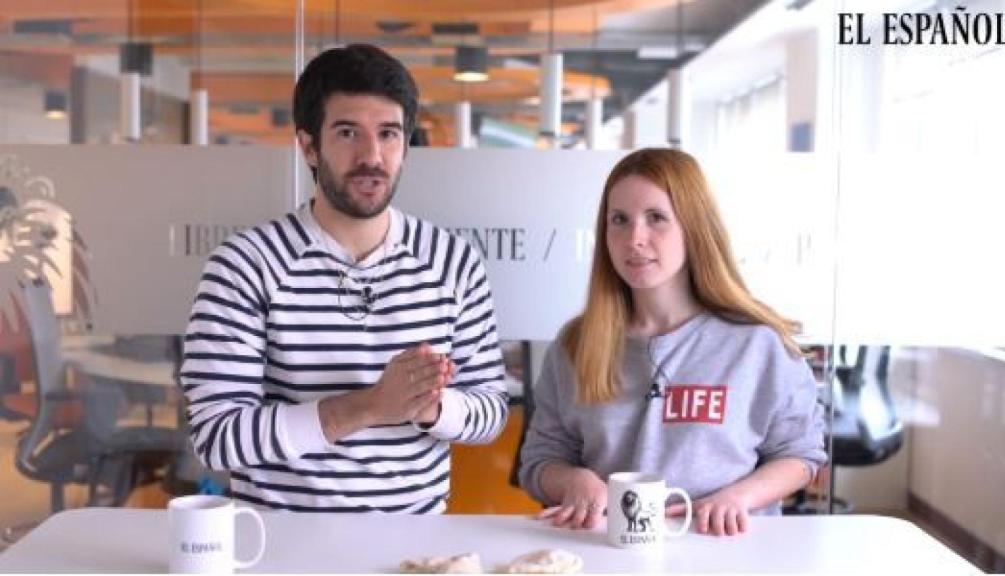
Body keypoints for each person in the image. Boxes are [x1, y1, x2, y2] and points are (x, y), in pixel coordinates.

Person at [181, 44, 508, 513]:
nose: (372, 156)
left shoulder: (453, 262)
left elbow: (491, 411)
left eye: (389, 134)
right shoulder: (244, 265)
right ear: (309, 146)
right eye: (348, 132)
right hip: (278, 545)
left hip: (414, 549)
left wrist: (429, 406)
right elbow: (217, 438)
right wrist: (372, 406)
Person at [518, 148, 825, 536]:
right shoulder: (576, 344)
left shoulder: (757, 344)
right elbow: (540, 462)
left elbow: (800, 455)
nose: (635, 239)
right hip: (609, 556)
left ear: (693, 228)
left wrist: (739, 497)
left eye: (656, 219)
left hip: (721, 554)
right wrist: (574, 481)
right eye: (619, 220)